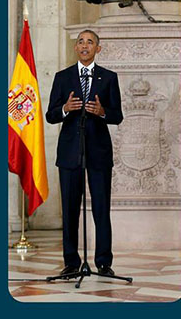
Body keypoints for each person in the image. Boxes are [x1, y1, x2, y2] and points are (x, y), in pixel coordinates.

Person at [46, 30, 123, 277]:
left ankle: (103, 262)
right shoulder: (62, 77)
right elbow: (50, 115)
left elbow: (117, 115)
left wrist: (102, 112)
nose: (84, 45)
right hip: (70, 152)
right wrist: (65, 109)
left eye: (90, 42)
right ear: (75, 48)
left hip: (99, 152)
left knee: (101, 208)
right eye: (80, 41)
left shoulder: (109, 78)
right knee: (70, 209)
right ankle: (71, 262)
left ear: (98, 49)